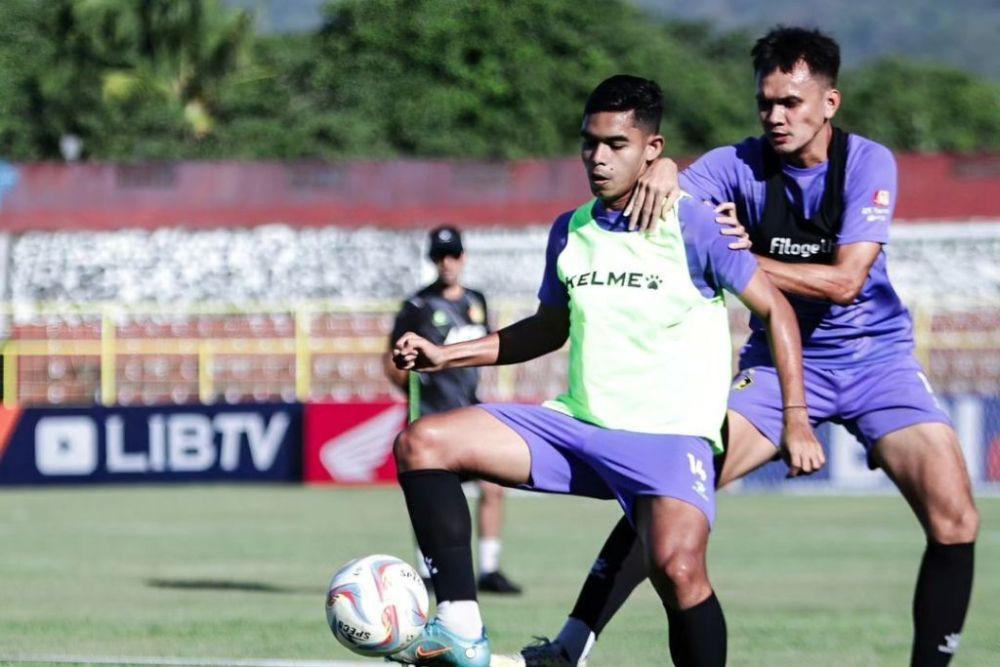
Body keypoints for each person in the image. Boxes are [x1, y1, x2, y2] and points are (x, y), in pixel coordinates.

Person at [520, 27, 979, 667]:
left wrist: (741, 260)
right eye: (766, 102)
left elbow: (847, 282)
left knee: (957, 520)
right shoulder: (737, 165)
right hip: (776, 368)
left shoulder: (868, 162)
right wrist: (667, 167)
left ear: (830, 104)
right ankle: (573, 643)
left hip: (879, 361)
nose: (776, 116)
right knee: (666, 489)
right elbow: (664, 180)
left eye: (791, 102)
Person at [386, 74, 824, 667]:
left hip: (670, 439)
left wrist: (795, 419)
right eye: (589, 142)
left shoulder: (696, 224)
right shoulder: (571, 230)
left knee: (679, 569)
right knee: (423, 442)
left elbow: (777, 313)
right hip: (577, 429)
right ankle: (459, 624)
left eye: (616, 144)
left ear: (652, 149)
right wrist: (448, 354)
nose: (597, 156)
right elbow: (548, 327)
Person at [385, 226, 523, 595]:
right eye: (439, 256)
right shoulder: (417, 306)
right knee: (431, 496)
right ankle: (426, 570)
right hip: (432, 414)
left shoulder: (476, 300)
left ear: (463, 258)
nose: (447, 263)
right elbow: (391, 360)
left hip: (471, 412)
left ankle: (490, 568)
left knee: (494, 486)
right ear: (433, 261)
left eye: (453, 255)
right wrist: (413, 386)